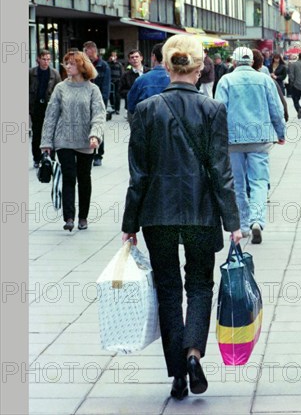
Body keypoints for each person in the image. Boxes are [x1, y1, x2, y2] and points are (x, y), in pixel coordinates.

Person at [121, 34, 242, 400]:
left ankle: (176, 373)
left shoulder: (146, 110)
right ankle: (193, 352)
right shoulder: (213, 110)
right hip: (201, 211)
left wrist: (129, 226)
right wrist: (233, 222)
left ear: (166, 65)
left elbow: (138, 174)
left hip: (157, 213)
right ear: (201, 67)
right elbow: (221, 171)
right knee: (201, 285)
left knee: (169, 290)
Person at [215, 47, 285, 244]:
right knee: (259, 181)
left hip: (233, 139)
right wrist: (280, 133)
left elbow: (219, 111)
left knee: (237, 183)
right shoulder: (264, 80)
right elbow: (276, 109)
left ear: (234, 62)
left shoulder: (226, 81)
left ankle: (244, 225)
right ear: (253, 61)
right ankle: (257, 219)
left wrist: (217, 139)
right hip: (259, 139)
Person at [40, 50, 106, 232]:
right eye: (66, 63)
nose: (67, 66)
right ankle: (69, 217)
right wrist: (46, 143)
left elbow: (99, 115)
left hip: (86, 141)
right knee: (69, 177)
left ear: (81, 65)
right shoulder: (60, 88)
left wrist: (95, 135)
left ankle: (83, 217)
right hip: (64, 140)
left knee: (84, 178)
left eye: (71, 63)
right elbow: (51, 116)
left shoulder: (93, 89)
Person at [29, 49, 61, 169]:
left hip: (50, 107)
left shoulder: (54, 73)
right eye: (44, 59)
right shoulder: (31, 73)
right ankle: (37, 158)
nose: (46, 62)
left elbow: (59, 91)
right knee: (37, 133)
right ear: (38, 59)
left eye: (48, 59)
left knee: (51, 133)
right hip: (36, 106)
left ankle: (51, 157)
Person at [126, 43, 170, 123]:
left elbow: (131, 107)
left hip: (147, 126)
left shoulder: (141, 80)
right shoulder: (177, 79)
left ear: (153, 57)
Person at [83, 41, 111, 166]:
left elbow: (106, 86)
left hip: (98, 101)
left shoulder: (103, 66)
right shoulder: (84, 65)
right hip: (85, 101)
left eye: (85, 51)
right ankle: (89, 152)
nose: (84, 53)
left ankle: (99, 154)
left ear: (92, 50)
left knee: (98, 127)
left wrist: (102, 103)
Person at [252, 49, 288, 122]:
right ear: (260, 64)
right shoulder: (268, 80)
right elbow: (277, 105)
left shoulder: (228, 80)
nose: (276, 60)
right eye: (275, 58)